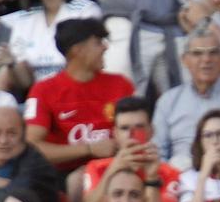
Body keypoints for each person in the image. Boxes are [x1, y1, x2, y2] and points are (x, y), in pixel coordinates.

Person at [24, 18, 136, 172]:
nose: (105, 47)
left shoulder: (121, 85)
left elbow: (139, 129)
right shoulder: (43, 91)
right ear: (78, 50)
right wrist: (89, 149)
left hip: (118, 168)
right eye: (98, 43)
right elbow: (32, 147)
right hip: (64, 173)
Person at [152, 23, 220, 173]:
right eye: (197, 53)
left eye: (213, 52)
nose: (206, 59)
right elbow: (157, 152)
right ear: (184, 60)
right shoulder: (168, 101)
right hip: (179, 176)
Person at [1, 0, 104, 89]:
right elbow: (24, 82)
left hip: (78, 89)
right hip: (37, 95)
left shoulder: (86, 11)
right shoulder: (20, 20)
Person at [80, 96, 180, 202]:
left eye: (139, 127)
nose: (131, 135)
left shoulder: (170, 172)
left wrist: (152, 178)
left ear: (151, 131)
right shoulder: (96, 167)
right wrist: (114, 168)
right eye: (124, 128)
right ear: (115, 133)